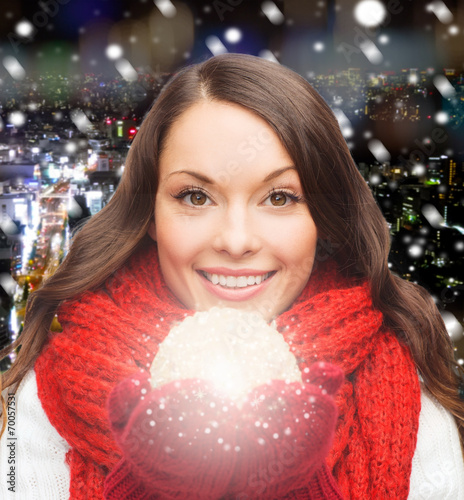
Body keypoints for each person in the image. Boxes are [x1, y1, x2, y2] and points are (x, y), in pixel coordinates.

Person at [1, 52, 463, 499]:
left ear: (324, 218)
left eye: (279, 198)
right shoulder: (38, 410)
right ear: (149, 213)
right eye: (196, 197)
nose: (236, 240)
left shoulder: (416, 412)